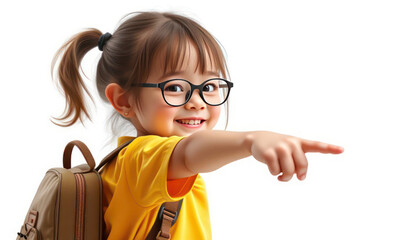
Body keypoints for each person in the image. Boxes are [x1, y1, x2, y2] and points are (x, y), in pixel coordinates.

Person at [50, 11, 344, 240]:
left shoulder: (143, 167)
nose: (198, 101)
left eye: (211, 85)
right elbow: (189, 151)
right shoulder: (141, 159)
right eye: (176, 87)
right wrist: (251, 140)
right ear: (123, 100)